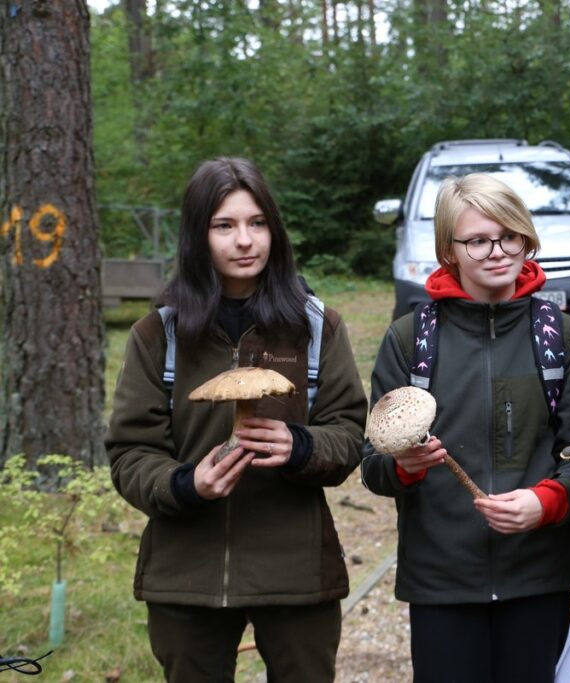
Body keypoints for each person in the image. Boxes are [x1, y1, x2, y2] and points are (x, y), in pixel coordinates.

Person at [106, 157, 368, 682]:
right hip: (187, 571)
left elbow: (348, 433)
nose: (244, 240)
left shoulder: (316, 327)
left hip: (295, 571)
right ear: (197, 236)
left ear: (274, 229)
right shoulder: (160, 335)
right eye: (224, 226)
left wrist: (300, 447)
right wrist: (185, 483)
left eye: (257, 223)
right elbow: (130, 452)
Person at [360, 173, 570, 682]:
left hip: (538, 575)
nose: (497, 251)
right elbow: (372, 467)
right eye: (477, 240)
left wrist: (548, 501)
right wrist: (403, 467)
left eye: (509, 235)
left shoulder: (563, 337)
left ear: (526, 237)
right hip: (442, 580)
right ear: (449, 249)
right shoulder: (411, 341)